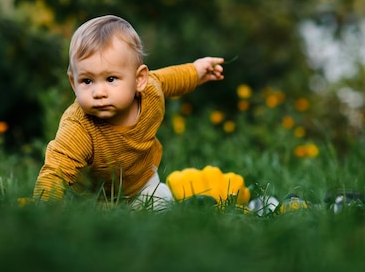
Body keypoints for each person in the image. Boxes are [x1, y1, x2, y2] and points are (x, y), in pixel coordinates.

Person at [33, 15, 225, 209]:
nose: (99, 92)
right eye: (87, 81)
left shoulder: (150, 90)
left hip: (143, 182)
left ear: (139, 79)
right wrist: (43, 209)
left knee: (162, 204)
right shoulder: (79, 126)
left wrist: (196, 71)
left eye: (111, 79)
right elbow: (56, 169)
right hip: (92, 198)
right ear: (73, 83)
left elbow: (171, 79)